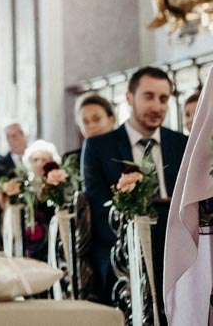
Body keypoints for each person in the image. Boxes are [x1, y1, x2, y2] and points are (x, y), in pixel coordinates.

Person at [82, 66, 188, 305]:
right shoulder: (99, 147)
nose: (158, 106)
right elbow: (99, 210)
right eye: (149, 96)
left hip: (176, 245)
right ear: (129, 98)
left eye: (163, 99)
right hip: (120, 246)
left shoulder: (181, 144)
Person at [64, 94, 116, 164]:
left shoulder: (127, 151)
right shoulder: (71, 160)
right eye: (85, 122)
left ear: (112, 120)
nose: (91, 126)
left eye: (97, 119)